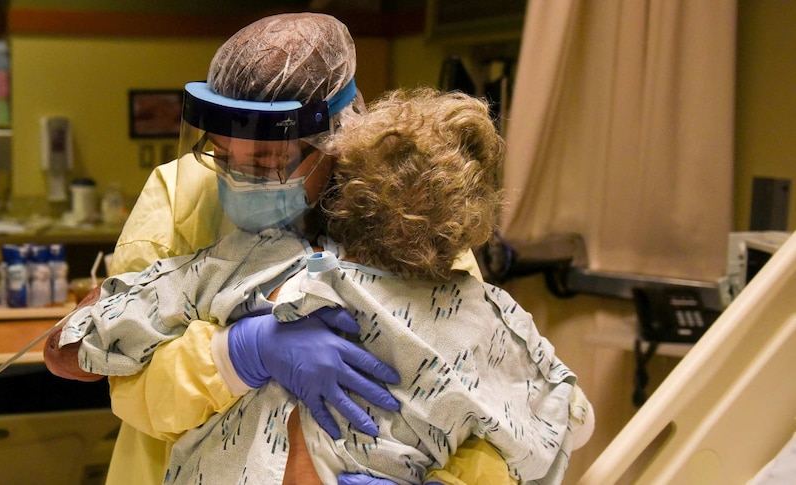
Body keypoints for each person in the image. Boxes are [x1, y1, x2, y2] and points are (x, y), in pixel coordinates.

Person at [44, 12, 513, 485]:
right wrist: (236, 353)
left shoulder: (415, 215)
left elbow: (488, 396)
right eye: (224, 155)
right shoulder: (181, 197)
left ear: (334, 141)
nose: (239, 180)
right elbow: (124, 380)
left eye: (267, 160)